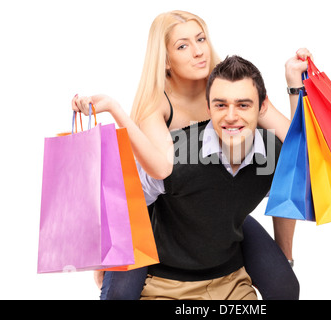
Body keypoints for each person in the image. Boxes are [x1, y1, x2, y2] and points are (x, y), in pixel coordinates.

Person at [72, 10, 311, 300]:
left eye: (201, 39)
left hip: (219, 209)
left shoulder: (227, 84)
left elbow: (297, 150)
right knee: (118, 294)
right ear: (165, 60)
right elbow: (160, 169)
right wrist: (115, 108)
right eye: (183, 45)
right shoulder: (157, 104)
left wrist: (295, 85)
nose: (199, 51)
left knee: (285, 285)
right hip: (153, 214)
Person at [139, 55, 282, 299]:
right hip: (166, 283)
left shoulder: (273, 153)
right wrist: (108, 263)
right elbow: (127, 205)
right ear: (208, 108)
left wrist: (295, 86)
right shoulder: (173, 155)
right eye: (220, 105)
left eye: (244, 105)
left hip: (229, 280)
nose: (230, 116)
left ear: (263, 106)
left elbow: (295, 186)